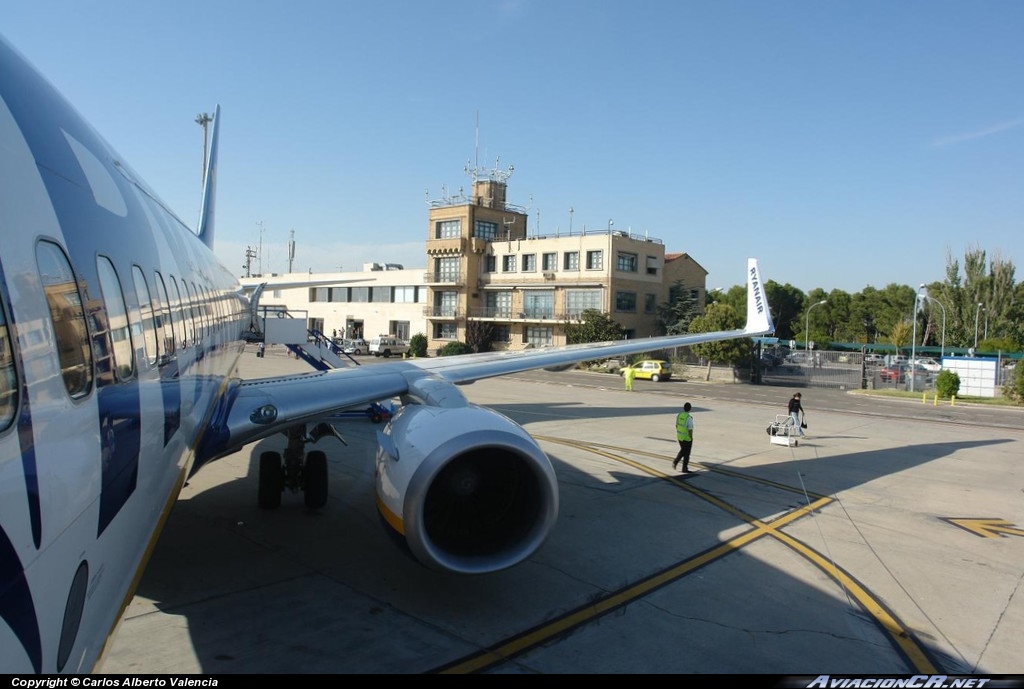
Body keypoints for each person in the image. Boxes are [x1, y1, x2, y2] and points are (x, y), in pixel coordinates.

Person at [672, 402, 694, 472]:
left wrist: (679, 433)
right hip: (686, 438)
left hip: (679, 437)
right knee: (687, 453)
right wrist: (691, 438)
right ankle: (684, 468)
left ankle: (675, 462)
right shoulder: (689, 418)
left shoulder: (679, 415)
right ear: (690, 409)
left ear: (683, 408)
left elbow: (676, 425)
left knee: (683, 451)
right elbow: (690, 429)